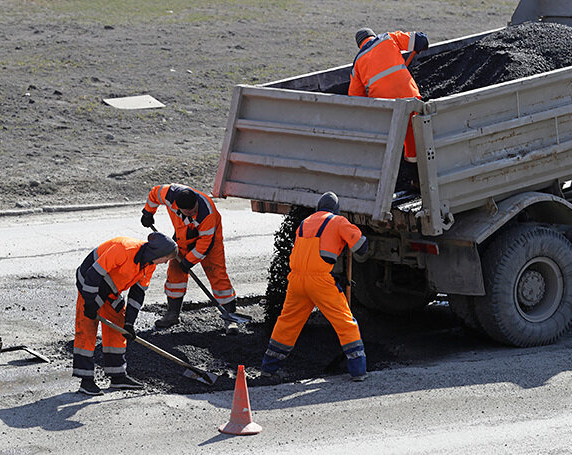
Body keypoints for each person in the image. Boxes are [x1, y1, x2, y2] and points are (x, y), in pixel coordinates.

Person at [261, 192, 369, 381]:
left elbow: (310, 255)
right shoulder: (338, 221)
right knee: (345, 323)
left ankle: (269, 368)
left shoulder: (306, 222)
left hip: (296, 280)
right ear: (336, 210)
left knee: (287, 323)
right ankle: (358, 371)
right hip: (319, 282)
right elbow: (361, 247)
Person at [74, 232, 177, 395]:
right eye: (166, 258)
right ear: (158, 253)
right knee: (87, 328)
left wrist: (129, 323)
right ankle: (86, 381)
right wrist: (90, 303)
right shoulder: (124, 249)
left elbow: (137, 294)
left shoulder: (149, 265)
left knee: (118, 326)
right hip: (89, 283)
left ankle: (117, 377)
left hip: (111, 289)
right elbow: (93, 275)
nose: (165, 263)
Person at [140, 183, 239, 335]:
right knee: (175, 273)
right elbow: (154, 194)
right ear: (178, 207)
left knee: (217, 273)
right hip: (183, 238)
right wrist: (148, 212)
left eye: (194, 209)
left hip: (209, 240)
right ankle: (172, 314)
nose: (193, 212)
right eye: (189, 212)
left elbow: (205, 244)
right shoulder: (169, 194)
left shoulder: (207, 213)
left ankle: (230, 318)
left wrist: (189, 261)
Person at [348, 27, 429, 192]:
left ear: (360, 45)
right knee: (413, 138)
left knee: (388, 143)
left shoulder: (357, 64)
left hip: (388, 110)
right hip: (411, 97)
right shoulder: (389, 38)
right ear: (373, 35)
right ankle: (418, 181)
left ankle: (385, 186)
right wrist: (419, 46)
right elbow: (422, 40)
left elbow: (355, 98)